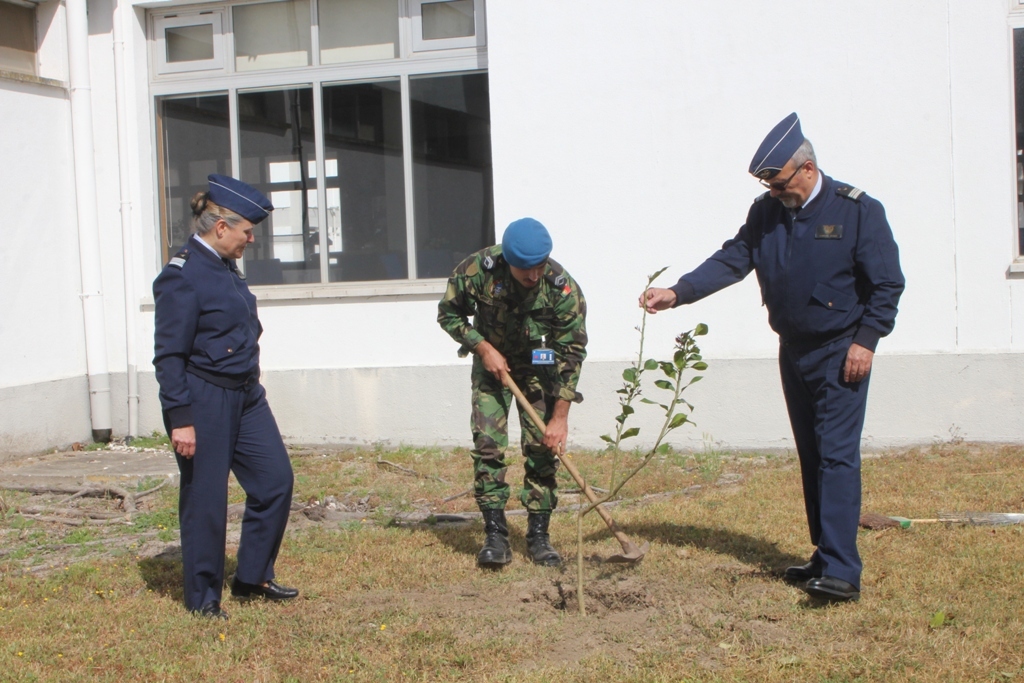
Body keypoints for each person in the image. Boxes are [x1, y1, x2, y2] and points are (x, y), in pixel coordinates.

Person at [640, 113, 905, 602]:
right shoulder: (767, 213)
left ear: (805, 168)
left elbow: (887, 283)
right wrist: (678, 293)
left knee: (837, 457)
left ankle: (844, 572)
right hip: (794, 350)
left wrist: (867, 340)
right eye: (767, 183)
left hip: (841, 350)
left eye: (778, 181)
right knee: (812, 455)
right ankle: (825, 555)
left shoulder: (858, 211)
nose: (773, 190)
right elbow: (734, 259)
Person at [153, 174, 298, 619]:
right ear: (221, 227)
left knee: (275, 481)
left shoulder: (223, 266)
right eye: (246, 231)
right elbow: (169, 355)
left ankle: (252, 576)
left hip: (245, 394)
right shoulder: (182, 276)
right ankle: (203, 598)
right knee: (206, 500)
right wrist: (181, 417)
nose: (251, 239)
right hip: (203, 397)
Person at [438, 218, 588, 568]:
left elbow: (571, 353)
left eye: (539, 267)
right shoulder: (477, 271)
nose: (534, 276)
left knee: (542, 449)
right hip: (493, 365)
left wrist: (560, 418)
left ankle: (539, 536)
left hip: (540, 366)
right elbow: (449, 314)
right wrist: (481, 347)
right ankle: (495, 535)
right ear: (507, 260)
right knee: (488, 447)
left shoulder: (561, 289)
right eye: (526, 270)